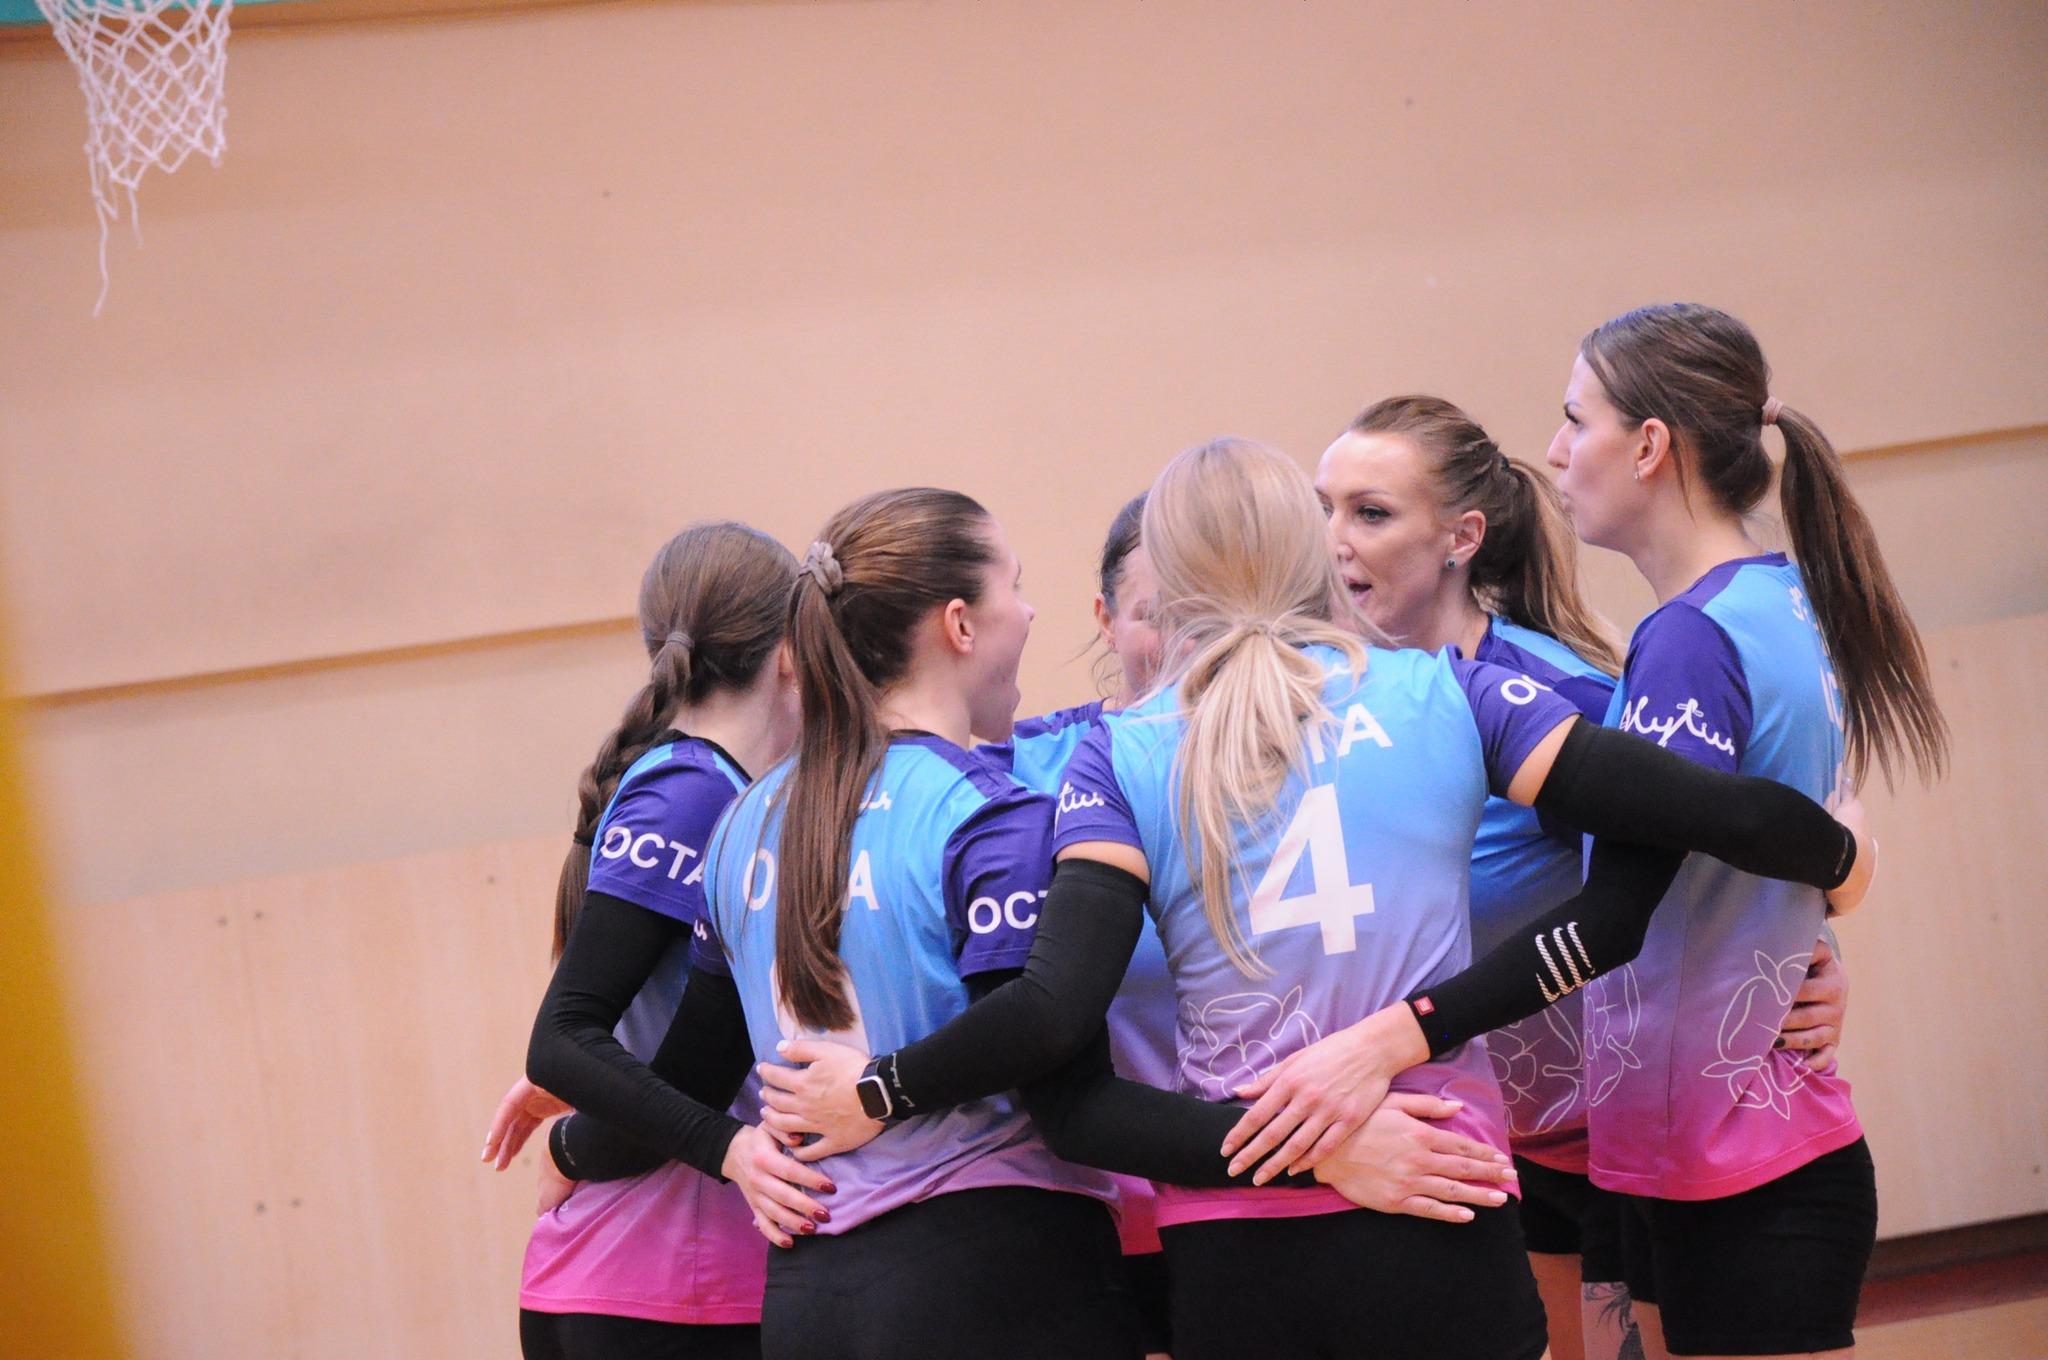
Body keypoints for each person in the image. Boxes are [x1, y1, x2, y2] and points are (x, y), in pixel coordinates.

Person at [759, 439, 1871, 1360]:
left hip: (1238, 1256)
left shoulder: (1117, 755)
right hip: (1443, 1200)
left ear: (1165, 586)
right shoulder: (1448, 692)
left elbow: (1068, 1076)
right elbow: (1712, 815)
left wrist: (882, 1089)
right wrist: (1839, 862)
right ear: (1313, 555)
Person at [1314, 395, 1853, 1360]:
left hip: (1601, 1147)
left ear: (1462, 538)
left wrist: (1817, 953)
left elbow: (1706, 861)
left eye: (1371, 512)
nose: (1335, 541)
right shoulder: (1340, 704)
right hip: (1475, 1139)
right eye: (1325, 509)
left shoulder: (1553, 702)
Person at [968, 493, 1511, 1360]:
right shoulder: (1054, 769)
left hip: (1314, 1192)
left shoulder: (1366, 723)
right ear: (1105, 619)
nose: (1188, 639)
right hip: (1128, 1200)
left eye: (1201, 608)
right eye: (1156, 615)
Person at [1535, 303, 1946, 1358]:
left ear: (1648, 445)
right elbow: (1782, 856)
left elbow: (1627, 907)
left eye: (1574, 419)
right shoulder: (1785, 597)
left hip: (1735, 1163)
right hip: (1711, 1145)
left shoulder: (1690, 636)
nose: (1556, 451)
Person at [490, 521, 801, 1360]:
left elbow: (660, 1056)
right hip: (664, 1284)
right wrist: (585, 1145)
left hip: (663, 1278)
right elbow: (565, 1037)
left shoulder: (721, 791)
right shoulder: (691, 794)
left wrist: (581, 1137)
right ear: (791, 652)